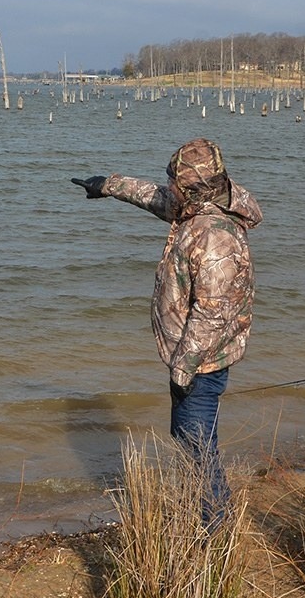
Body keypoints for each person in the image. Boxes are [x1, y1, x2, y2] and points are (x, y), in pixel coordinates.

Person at [71, 137, 261, 524]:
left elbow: (212, 312)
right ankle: (210, 515)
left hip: (201, 363)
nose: (170, 187)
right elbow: (156, 198)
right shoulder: (200, 203)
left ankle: (214, 529)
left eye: (175, 181)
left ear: (194, 187)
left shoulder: (214, 238)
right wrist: (107, 185)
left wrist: (183, 370)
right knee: (189, 437)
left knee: (196, 444)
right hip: (192, 359)